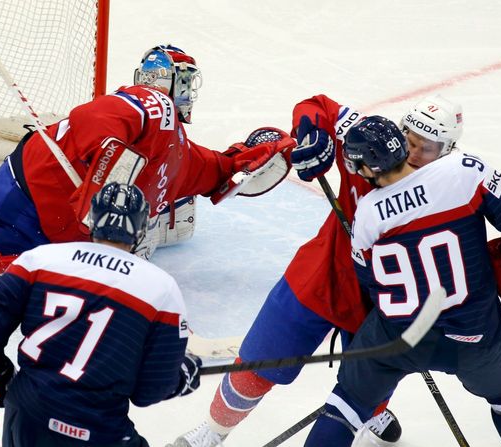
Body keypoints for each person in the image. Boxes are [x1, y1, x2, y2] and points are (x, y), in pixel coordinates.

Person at [168, 94, 465, 447]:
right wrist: (314, 136)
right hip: (321, 277)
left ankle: (371, 410)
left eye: (427, 148)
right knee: (258, 363)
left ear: (446, 151)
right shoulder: (372, 146)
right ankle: (213, 433)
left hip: (381, 305)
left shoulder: (451, 193)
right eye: (409, 139)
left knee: (365, 389)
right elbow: (319, 106)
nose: (413, 153)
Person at [0, 44, 295, 259]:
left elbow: (222, 171)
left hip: (61, 232)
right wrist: (105, 183)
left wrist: (260, 155)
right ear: (165, 81)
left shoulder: (184, 156)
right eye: (186, 80)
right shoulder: (155, 105)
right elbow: (92, 118)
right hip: (24, 199)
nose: (190, 91)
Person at [304, 115, 501, 446]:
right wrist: (498, 257)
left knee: (345, 406)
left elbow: (370, 284)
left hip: (399, 338)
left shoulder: (368, 214)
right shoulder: (462, 171)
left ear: (368, 169)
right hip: (475, 335)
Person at [0, 182, 203, 446]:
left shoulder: (40, 259)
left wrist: (1, 375)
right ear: (141, 229)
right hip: (99, 429)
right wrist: (180, 376)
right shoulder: (161, 289)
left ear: (92, 220)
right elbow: (149, 391)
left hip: (28, 414)